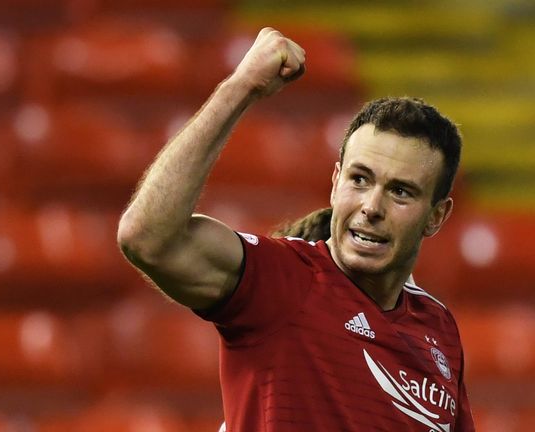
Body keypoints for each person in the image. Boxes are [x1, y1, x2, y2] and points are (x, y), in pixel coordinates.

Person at [117, 27, 475, 431]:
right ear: (335, 181)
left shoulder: (438, 329)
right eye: (360, 179)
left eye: (401, 192)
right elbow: (147, 238)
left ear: (437, 216)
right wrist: (241, 87)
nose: (372, 207)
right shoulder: (285, 281)